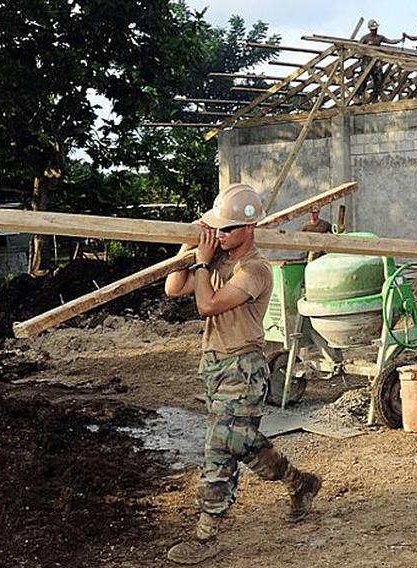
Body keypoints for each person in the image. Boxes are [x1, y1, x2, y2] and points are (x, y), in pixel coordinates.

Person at [164, 184, 321, 565]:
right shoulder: (215, 261)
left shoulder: (255, 270)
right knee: (241, 440)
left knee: (219, 445)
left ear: (249, 228)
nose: (219, 235)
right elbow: (173, 288)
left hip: (244, 367)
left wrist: (201, 263)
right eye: (217, 228)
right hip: (215, 367)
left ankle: (207, 532)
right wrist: (190, 249)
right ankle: (299, 481)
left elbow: (208, 305)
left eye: (227, 229)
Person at [358, 19, 402, 94]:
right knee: (364, 77)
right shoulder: (365, 38)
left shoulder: (379, 37)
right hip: (367, 61)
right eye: (373, 30)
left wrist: (400, 40)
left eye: (375, 29)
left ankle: (376, 91)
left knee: (378, 76)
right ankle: (360, 93)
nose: (374, 31)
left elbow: (390, 41)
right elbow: (358, 47)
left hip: (376, 61)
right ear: (369, 29)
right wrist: (362, 53)